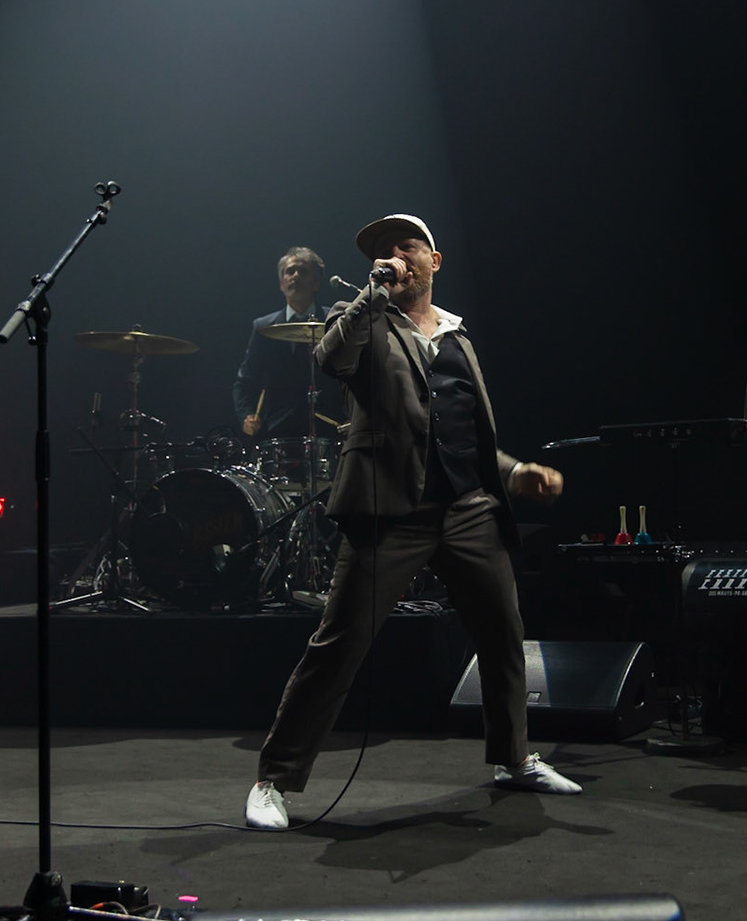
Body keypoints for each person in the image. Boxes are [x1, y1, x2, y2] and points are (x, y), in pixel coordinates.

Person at [245, 214, 579, 828]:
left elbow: (466, 437)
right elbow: (328, 356)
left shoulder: (459, 338)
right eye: (382, 250)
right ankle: (275, 780)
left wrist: (513, 473)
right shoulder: (366, 320)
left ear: (434, 261)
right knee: (338, 644)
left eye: (406, 247)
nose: (394, 256)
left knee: (503, 634)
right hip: (390, 509)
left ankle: (512, 757)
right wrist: (371, 294)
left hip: (469, 508)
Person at [233, 246, 331, 442]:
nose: (295, 276)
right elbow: (245, 380)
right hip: (276, 429)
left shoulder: (334, 321)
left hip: (327, 426)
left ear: (316, 283)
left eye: (303, 272)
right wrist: (247, 416)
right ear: (281, 283)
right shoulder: (263, 327)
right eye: (290, 271)